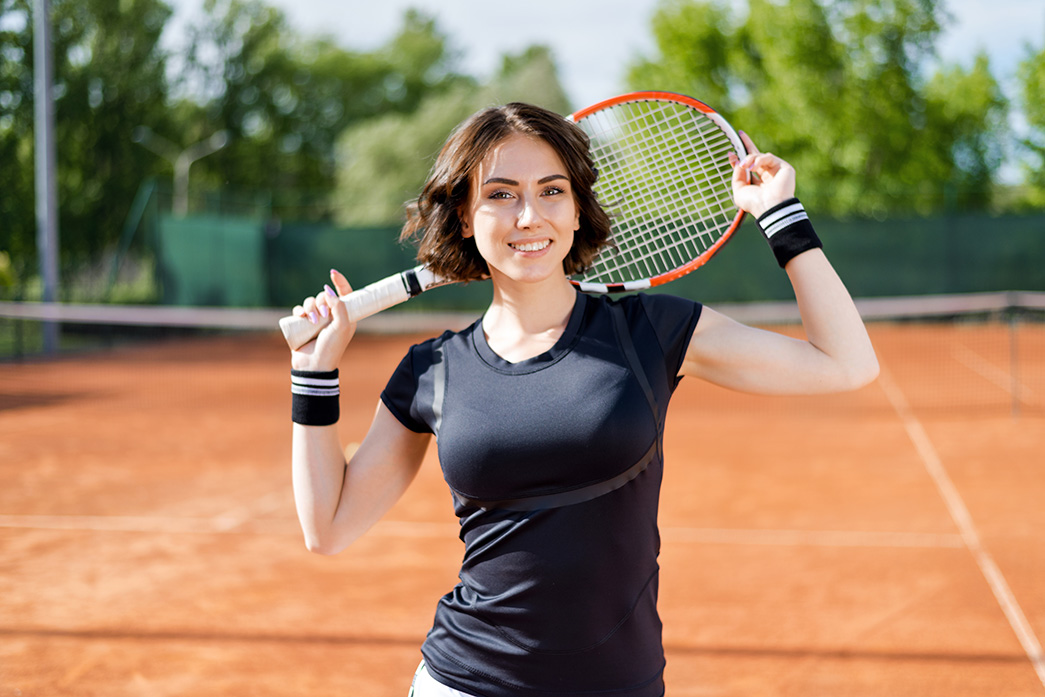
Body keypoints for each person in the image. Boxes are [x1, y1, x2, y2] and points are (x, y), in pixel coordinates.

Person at [288, 102, 879, 697]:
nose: (529, 216)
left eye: (551, 191)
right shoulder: (431, 370)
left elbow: (846, 363)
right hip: (466, 680)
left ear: (576, 211)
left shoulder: (651, 330)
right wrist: (314, 375)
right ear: (465, 216)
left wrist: (781, 215)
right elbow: (329, 528)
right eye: (499, 194)